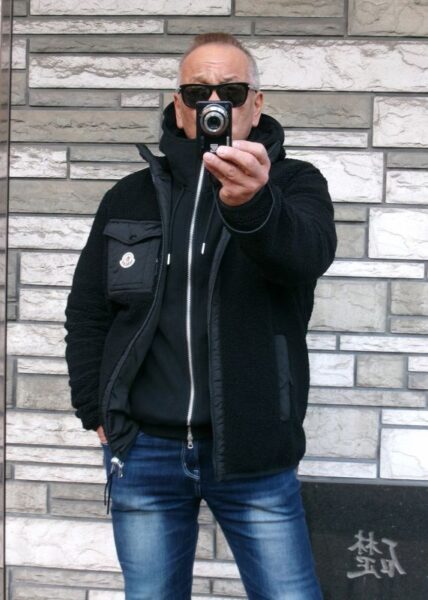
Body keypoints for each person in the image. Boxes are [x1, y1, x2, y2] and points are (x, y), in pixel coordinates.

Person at [64, 32, 337, 600]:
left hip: (253, 448)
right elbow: (88, 309)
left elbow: (307, 256)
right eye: (198, 92)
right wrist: (95, 408)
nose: (215, 103)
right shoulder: (129, 196)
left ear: (256, 103)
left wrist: (254, 204)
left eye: (231, 91)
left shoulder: (293, 183)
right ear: (180, 104)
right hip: (144, 451)